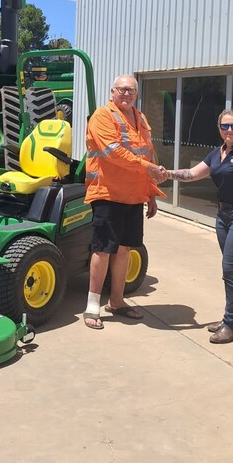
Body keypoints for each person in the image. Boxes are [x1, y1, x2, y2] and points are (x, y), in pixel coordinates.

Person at [165, 109, 233, 344]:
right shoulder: (217, 153)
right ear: (219, 128)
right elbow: (192, 174)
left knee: (231, 270)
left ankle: (231, 325)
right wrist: (165, 173)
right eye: (225, 126)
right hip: (223, 217)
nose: (229, 130)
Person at [83, 75, 166, 330]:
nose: (126, 94)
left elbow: (147, 153)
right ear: (112, 92)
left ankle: (117, 301)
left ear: (137, 93)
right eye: (122, 89)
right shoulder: (102, 116)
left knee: (124, 249)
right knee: (103, 249)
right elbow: (113, 152)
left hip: (133, 196)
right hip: (108, 193)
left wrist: (150, 193)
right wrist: (148, 168)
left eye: (131, 90)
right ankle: (93, 305)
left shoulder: (141, 119)